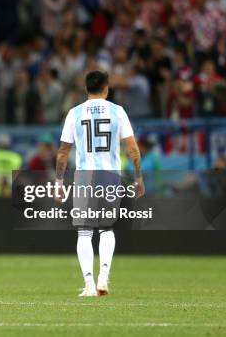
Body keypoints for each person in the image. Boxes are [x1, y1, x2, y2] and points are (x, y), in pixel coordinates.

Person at [55, 70, 144, 297]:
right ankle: (103, 277)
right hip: (110, 175)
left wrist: (58, 181)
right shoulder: (118, 111)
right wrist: (138, 177)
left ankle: (89, 284)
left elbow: (63, 153)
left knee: (84, 233)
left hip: (85, 175)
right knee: (106, 229)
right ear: (106, 88)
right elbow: (132, 149)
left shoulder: (74, 113)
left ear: (86, 89)